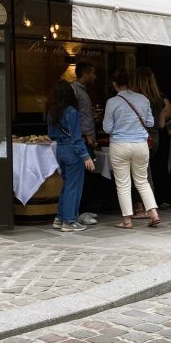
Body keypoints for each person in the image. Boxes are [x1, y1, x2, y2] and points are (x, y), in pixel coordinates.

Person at [102, 69, 161, 229]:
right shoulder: (143, 99)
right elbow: (149, 123)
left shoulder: (112, 102)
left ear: (115, 84)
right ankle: (153, 213)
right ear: (130, 82)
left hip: (120, 145)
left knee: (123, 183)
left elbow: (107, 128)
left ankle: (127, 221)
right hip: (140, 145)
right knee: (142, 181)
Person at [48, 81, 96, 232]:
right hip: (72, 152)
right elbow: (76, 139)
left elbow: (51, 135)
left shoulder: (51, 112)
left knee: (67, 185)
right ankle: (69, 221)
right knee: (73, 187)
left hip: (60, 150)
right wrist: (86, 157)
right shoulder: (72, 112)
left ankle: (60, 218)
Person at [134, 67, 171, 211]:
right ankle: (149, 204)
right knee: (146, 170)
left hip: (141, 136)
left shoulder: (139, 99)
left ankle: (146, 206)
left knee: (142, 174)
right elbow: (162, 124)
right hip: (155, 138)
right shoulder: (158, 98)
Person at [71, 62, 99, 225]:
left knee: (89, 177)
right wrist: (84, 135)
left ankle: (85, 209)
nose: (95, 76)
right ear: (86, 73)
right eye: (93, 73)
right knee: (83, 176)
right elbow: (72, 117)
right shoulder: (75, 91)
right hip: (82, 140)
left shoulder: (83, 91)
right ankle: (80, 212)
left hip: (88, 138)